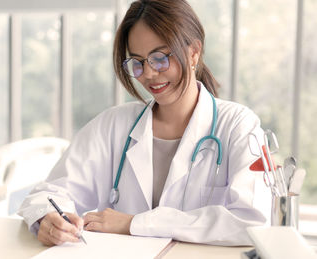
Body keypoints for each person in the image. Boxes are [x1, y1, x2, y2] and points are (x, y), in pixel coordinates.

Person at [18, 0, 271, 246]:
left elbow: (252, 222)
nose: (148, 73)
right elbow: (49, 193)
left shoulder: (238, 126)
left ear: (194, 53)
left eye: (160, 58)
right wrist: (49, 220)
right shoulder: (112, 125)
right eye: (137, 62)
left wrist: (134, 224)